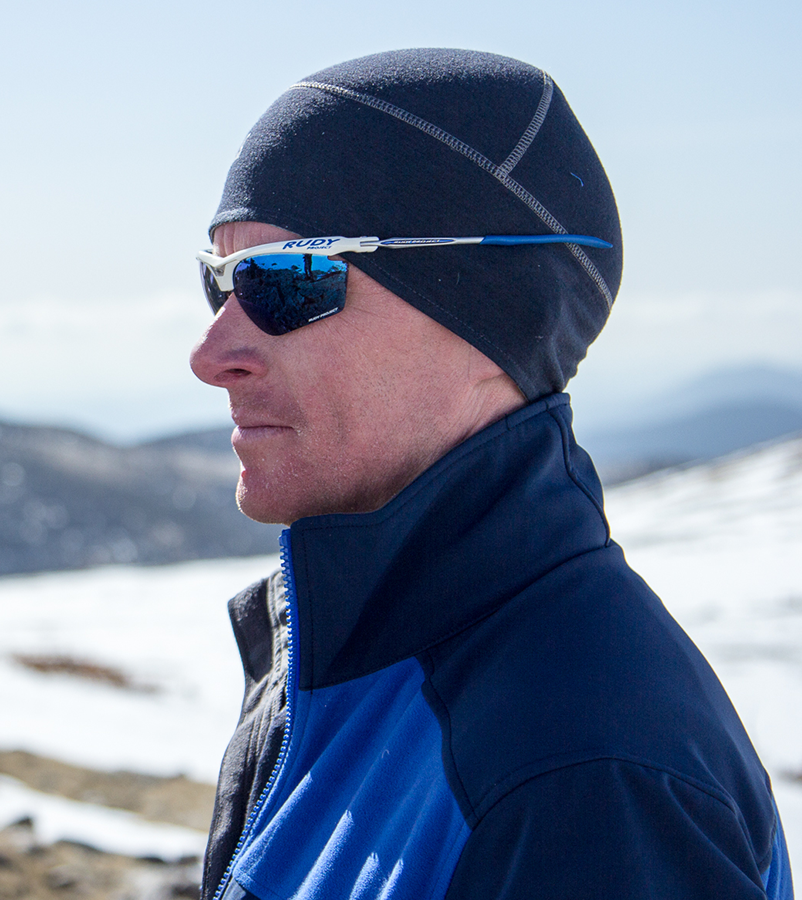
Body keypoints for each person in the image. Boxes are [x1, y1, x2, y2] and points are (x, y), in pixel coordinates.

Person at [189, 49, 790, 900]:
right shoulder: (351, 664)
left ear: (490, 308)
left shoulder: (580, 779)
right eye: (217, 282)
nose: (211, 353)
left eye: (284, 279)